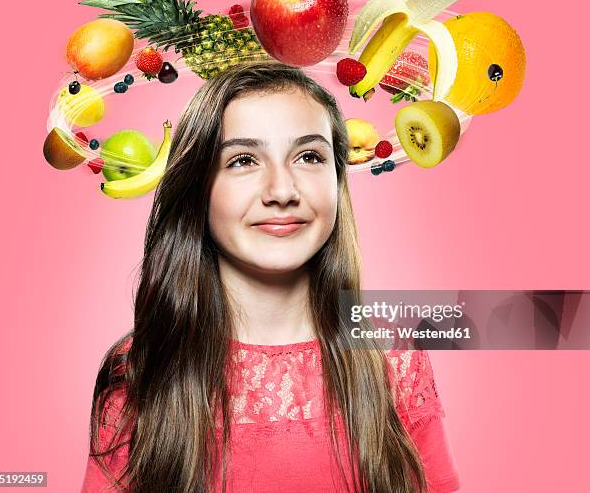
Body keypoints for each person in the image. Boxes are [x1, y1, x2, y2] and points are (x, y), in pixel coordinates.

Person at [80, 59, 460, 493]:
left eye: (309, 156)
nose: (282, 191)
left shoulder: (394, 356)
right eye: (243, 160)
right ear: (198, 189)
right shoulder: (141, 369)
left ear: (338, 182)